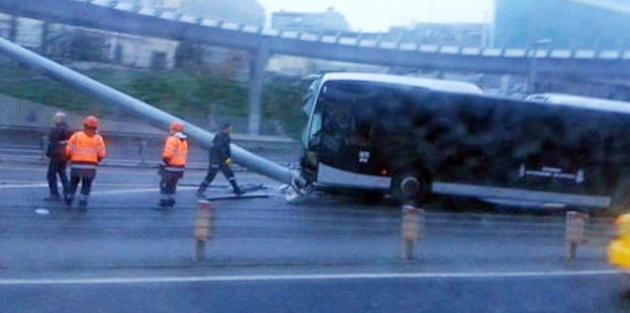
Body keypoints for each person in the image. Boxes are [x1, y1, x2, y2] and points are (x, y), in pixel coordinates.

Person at [65, 115, 106, 210]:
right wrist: (96, 159)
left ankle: (69, 198)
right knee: (86, 184)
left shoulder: (76, 136)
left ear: (84, 125)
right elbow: (102, 154)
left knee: (73, 182)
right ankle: (83, 201)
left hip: (76, 165)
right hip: (90, 167)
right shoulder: (98, 139)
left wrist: (70, 158)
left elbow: (68, 151)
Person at [196, 123, 241, 197]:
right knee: (212, 176)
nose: (231, 129)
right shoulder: (222, 137)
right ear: (227, 128)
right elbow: (220, 149)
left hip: (220, 160)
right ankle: (200, 191)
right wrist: (227, 159)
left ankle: (236, 189)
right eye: (230, 128)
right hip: (219, 161)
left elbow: (224, 149)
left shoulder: (223, 136)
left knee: (228, 175)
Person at [157, 121, 189, 209]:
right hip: (179, 168)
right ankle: (171, 201)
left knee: (164, 185)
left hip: (170, 167)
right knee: (173, 185)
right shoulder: (184, 141)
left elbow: (168, 154)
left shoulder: (172, 139)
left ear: (174, 129)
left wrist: (162, 164)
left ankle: (164, 202)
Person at [44, 112, 73, 201]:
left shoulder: (55, 129)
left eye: (56, 118)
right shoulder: (68, 129)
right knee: (62, 174)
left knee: (51, 175)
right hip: (64, 155)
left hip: (56, 155)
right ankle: (68, 192)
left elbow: (52, 144)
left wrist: (48, 155)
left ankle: (54, 194)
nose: (54, 119)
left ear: (60, 119)